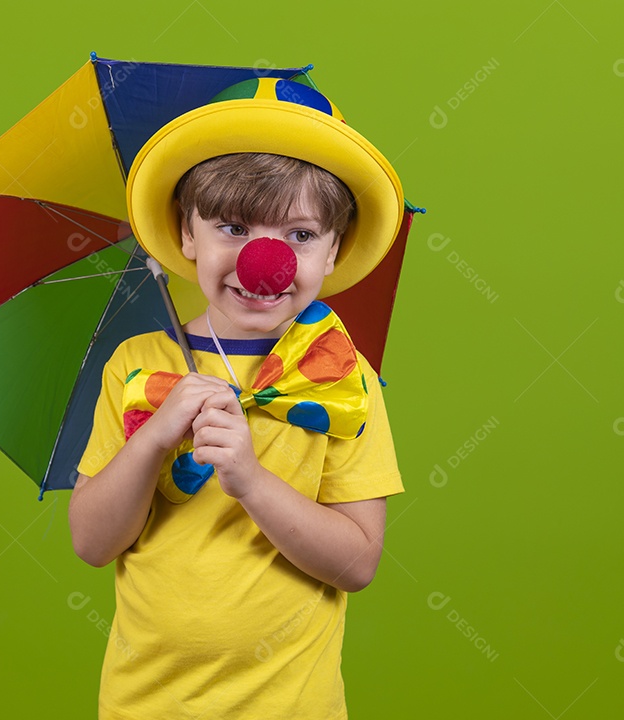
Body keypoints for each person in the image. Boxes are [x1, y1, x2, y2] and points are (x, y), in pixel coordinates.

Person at [68, 75, 407, 720]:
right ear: (186, 236)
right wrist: (154, 440)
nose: (266, 260)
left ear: (334, 249)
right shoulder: (138, 364)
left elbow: (358, 562)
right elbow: (91, 543)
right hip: (144, 705)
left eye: (301, 236)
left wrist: (250, 479)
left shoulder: (340, 376)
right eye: (231, 226)